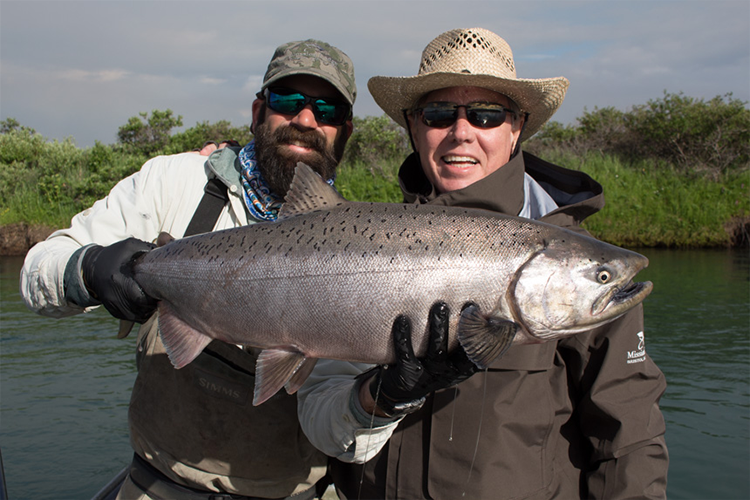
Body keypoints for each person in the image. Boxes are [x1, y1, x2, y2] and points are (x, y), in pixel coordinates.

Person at [297, 28, 669, 499]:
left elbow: (629, 442)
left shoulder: (577, 264)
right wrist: (380, 396)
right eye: (438, 113)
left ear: (516, 129)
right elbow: (323, 424)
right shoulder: (362, 251)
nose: (461, 131)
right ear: (414, 125)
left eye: (487, 114)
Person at [20, 39, 356, 500]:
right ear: (259, 112)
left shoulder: (361, 251)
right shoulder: (173, 183)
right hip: (159, 486)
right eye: (287, 101)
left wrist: (384, 397)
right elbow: (37, 271)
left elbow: (339, 430)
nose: (305, 120)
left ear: (346, 131)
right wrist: (90, 268)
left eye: (327, 109)